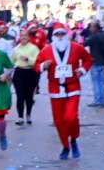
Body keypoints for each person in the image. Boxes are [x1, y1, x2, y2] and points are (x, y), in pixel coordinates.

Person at [36, 23, 92, 160]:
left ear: (66, 35)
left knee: (71, 117)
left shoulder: (76, 48)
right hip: (55, 88)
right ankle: (65, 145)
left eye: (62, 34)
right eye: (57, 34)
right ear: (53, 36)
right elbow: (36, 66)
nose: (60, 37)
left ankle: (73, 138)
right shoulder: (46, 50)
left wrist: (82, 70)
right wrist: (44, 65)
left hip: (73, 87)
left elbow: (88, 59)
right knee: (59, 120)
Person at [10, 29, 40, 126]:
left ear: (28, 37)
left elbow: (37, 61)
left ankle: (28, 115)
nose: (23, 37)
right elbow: (12, 61)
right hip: (19, 72)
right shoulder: (16, 49)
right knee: (20, 95)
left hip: (31, 72)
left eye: (25, 35)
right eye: (22, 35)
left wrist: (27, 59)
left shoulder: (34, 48)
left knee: (29, 96)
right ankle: (20, 117)